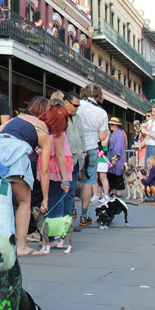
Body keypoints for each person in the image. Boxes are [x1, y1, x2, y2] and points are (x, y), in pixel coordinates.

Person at [0, 98, 54, 256]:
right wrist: (45, 198)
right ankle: (21, 246)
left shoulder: (16, 118)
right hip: (16, 153)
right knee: (24, 201)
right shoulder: (44, 130)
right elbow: (44, 171)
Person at [31, 101, 71, 254]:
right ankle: (51, 237)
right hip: (56, 171)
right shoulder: (58, 132)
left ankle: (44, 237)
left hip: (43, 167)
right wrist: (65, 178)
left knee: (44, 201)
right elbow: (60, 155)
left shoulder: (42, 127)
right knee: (55, 203)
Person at [75, 83, 109, 226]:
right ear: (98, 95)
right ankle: (84, 215)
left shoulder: (77, 106)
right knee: (88, 182)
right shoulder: (101, 112)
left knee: (72, 178)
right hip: (91, 147)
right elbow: (102, 136)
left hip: (75, 146)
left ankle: (70, 210)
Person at [63, 92, 85, 222]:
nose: (77, 108)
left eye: (78, 106)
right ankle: (62, 219)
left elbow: (81, 135)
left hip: (77, 158)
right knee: (64, 191)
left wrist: (84, 149)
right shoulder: (61, 116)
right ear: (66, 102)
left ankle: (68, 220)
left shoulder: (78, 118)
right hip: (65, 159)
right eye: (75, 105)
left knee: (71, 191)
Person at [106, 117, 127, 198]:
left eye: (112, 124)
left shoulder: (119, 133)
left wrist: (115, 158)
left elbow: (118, 147)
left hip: (116, 158)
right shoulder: (114, 133)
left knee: (118, 175)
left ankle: (119, 193)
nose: (111, 125)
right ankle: (114, 191)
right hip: (111, 156)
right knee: (112, 175)